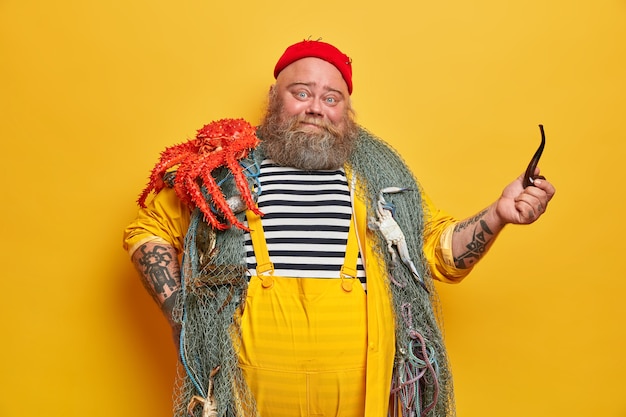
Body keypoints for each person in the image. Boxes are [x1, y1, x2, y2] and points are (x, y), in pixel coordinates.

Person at [123, 39, 555, 417]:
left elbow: (437, 252)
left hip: (360, 397)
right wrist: (181, 312)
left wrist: (498, 215)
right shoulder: (222, 169)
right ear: (274, 97)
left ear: (347, 110)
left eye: (332, 98)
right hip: (244, 394)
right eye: (302, 93)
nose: (316, 107)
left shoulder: (380, 176)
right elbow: (149, 228)